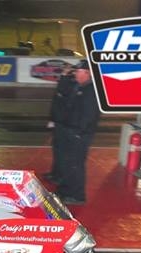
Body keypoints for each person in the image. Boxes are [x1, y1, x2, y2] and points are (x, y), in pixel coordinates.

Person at [53, 60, 100, 205]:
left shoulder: (91, 90)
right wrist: (64, 77)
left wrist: (80, 131)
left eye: (79, 72)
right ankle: (65, 190)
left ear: (88, 73)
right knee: (67, 163)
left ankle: (77, 195)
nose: (76, 74)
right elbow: (62, 94)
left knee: (75, 164)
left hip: (79, 133)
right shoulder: (78, 86)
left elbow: (89, 114)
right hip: (70, 129)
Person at [44, 61, 76, 184]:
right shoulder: (67, 81)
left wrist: (64, 76)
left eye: (68, 69)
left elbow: (62, 96)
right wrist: (52, 119)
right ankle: (55, 173)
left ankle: (59, 176)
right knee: (57, 150)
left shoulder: (73, 84)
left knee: (62, 152)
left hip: (64, 123)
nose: (65, 70)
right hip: (59, 121)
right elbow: (57, 100)